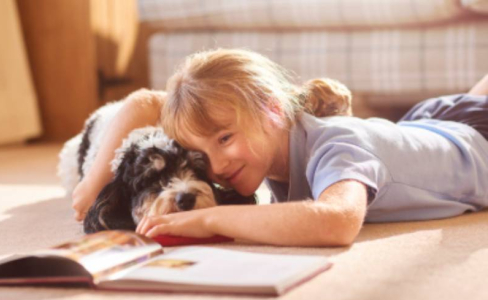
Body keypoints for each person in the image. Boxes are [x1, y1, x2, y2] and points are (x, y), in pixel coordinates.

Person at [73, 48, 488, 247]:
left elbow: (336, 222)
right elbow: (146, 104)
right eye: (202, 154)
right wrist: (94, 189)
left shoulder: (338, 146)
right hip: (430, 123)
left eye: (224, 138)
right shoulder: (270, 148)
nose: (216, 165)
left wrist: (211, 219)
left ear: (273, 110)